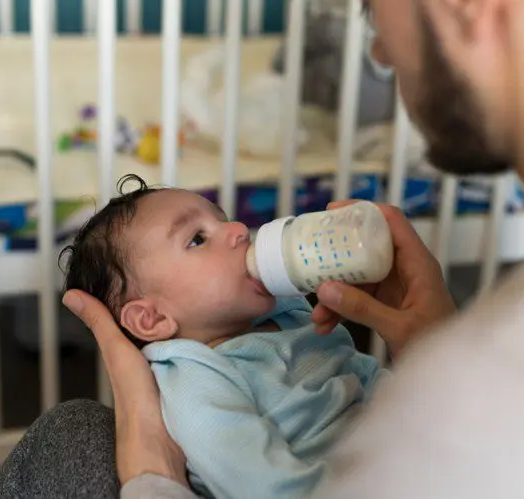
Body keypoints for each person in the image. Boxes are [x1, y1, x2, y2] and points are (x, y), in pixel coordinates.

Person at [0, 0, 524, 497]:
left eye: (375, 7)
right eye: (198, 237)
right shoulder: (207, 379)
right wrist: (430, 351)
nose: (378, 49)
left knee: (69, 437)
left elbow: (359, 388)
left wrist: (151, 471)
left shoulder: (474, 415)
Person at [57, 174, 383, 498]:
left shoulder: (289, 311)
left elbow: (361, 372)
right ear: (152, 317)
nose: (239, 230)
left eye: (224, 219)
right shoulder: (195, 378)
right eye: (198, 239)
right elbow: (266, 485)